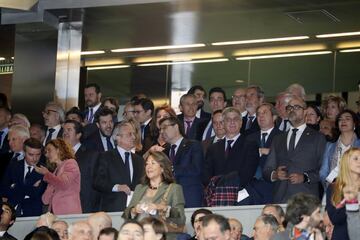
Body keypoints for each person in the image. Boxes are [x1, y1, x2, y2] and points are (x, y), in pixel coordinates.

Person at [263, 95, 326, 203]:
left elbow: (323, 170)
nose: (292, 110)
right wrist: (275, 174)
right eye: (289, 108)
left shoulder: (317, 137)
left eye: (296, 107)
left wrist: (305, 177)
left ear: (305, 111)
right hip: (281, 198)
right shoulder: (278, 139)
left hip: (307, 199)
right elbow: (267, 170)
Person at [122, 151, 186, 234]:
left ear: (162, 168)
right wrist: (134, 210)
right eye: (147, 164)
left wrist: (162, 207)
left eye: (153, 163)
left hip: (161, 235)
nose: (149, 167)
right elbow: (126, 215)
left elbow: (181, 219)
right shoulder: (139, 188)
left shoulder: (174, 188)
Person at [94, 121, 144, 212]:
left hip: (136, 210)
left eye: (134, 134)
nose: (134, 137)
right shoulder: (106, 157)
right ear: (118, 137)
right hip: (113, 209)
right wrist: (117, 187)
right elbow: (98, 181)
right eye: (129, 134)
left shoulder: (139, 160)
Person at [203, 107, 258, 187]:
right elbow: (206, 175)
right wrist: (216, 188)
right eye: (228, 120)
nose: (232, 122)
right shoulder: (213, 148)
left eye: (235, 119)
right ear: (223, 124)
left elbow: (247, 174)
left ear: (241, 123)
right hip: (216, 193)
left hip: (240, 192)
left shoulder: (250, 146)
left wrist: (226, 187)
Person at [238, 103, 281, 205]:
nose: (260, 116)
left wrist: (268, 151)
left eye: (264, 113)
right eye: (258, 114)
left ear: (274, 117)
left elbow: (285, 157)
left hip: (272, 186)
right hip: (250, 186)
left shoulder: (282, 137)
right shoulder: (249, 138)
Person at [159, 116, 204, 207]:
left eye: (164, 128)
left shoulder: (193, 145)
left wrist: (172, 169)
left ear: (176, 127)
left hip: (189, 196)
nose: (161, 132)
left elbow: (197, 169)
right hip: (168, 199)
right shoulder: (164, 151)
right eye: (160, 129)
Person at [1, 138, 46, 217]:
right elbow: (3, 190)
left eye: (38, 155)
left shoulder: (44, 170)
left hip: (33, 213)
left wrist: (15, 186)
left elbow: (38, 193)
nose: (35, 158)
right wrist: (31, 188)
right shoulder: (13, 166)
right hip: (11, 212)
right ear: (24, 153)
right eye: (31, 154)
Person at [35, 139, 82, 215]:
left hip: (69, 213)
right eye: (46, 152)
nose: (46, 155)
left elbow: (63, 184)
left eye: (49, 150)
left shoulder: (70, 163)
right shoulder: (55, 171)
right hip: (55, 215)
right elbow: (45, 200)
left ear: (58, 149)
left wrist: (47, 174)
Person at [62, 120, 100, 213]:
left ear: (78, 135)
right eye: (64, 130)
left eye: (69, 130)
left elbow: (96, 183)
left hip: (84, 207)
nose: (65, 133)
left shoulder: (91, 155)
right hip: (63, 206)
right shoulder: (60, 156)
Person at [326, 147, 360, 240]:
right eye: (356, 158)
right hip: (343, 235)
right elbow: (335, 219)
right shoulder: (334, 188)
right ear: (346, 163)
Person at [320, 110, 360, 187]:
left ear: (354, 124)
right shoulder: (330, 146)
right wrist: (329, 183)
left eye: (347, 119)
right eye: (340, 119)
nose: (343, 121)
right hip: (333, 192)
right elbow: (323, 172)